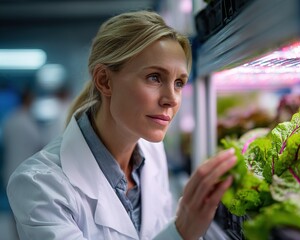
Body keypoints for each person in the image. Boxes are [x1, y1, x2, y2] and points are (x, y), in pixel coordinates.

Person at [6, 10, 237, 240]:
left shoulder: (151, 151)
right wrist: (182, 232)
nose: (173, 99)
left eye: (179, 83)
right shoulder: (39, 185)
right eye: (155, 77)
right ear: (105, 81)